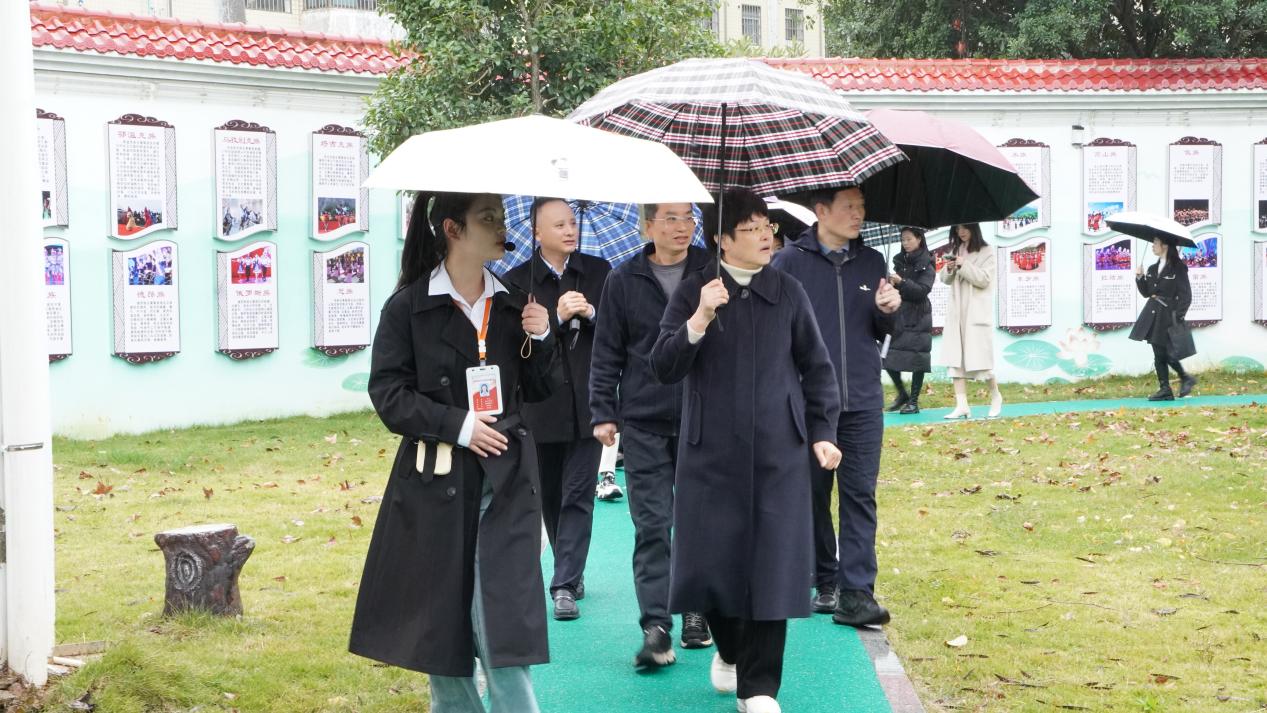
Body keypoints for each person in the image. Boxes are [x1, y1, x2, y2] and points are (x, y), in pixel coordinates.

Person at [349, 191, 557, 713]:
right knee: (441, 626)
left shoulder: (515, 303)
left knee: (504, 621)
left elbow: (540, 388)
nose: (501, 226)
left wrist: (543, 336)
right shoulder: (408, 306)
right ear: (452, 229)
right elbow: (388, 395)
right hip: (435, 480)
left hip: (507, 481)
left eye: (501, 217)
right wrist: (459, 425)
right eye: (488, 217)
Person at [650, 188, 842, 713]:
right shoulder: (695, 290)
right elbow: (662, 366)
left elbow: (818, 368)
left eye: (767, 227)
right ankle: (731, 650)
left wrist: (823, 432)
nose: (765, 237)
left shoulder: (788, 290)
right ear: (722, 240)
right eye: (751, 228)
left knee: (772, 568)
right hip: (709, 455)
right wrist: (698, 319)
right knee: (709, 567)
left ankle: (758, 688)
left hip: (779, 453)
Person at [589, 202, 715, 666]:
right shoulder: (623, 279)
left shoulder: (712, 272)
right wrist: (603, 411)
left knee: (700, 522)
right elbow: (607, 350)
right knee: (652, 524)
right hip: (644, 420)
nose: (683, 227)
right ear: (648, 226)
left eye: (688, 218)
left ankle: (697, 611)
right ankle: (656, 626)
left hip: (703, 417)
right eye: (671, 218)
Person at [771, 186, 901, 628]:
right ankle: (824, 579)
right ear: (821, 211)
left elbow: (880, 330)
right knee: (811, 495)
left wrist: (888, 310)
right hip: (808, 403)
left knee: (860, 495)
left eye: (862, 207)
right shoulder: (789, 263)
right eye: (849, 207)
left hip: (862, 399)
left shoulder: (873, 262)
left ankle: (857, 592)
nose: (858, 214)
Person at [504, 197, 610, 621]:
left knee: (578, 494)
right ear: (536, 232)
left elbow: (619, 332)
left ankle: (564, 582)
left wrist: (593, 312)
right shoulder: (517, 281)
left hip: (590, 403)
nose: (569, 230)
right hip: (541, 408)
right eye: (559, 225)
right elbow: (517, 347)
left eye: (572, 222)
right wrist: (555, 317)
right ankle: (569, 567)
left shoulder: (599, 272)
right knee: (550, 495)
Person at [939, 223, 1002, 420]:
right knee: (955, 361)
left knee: (981, 361)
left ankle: (996, 396)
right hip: (957, 313)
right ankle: (962, 405)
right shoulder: (955, 250)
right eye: (958, 229)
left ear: (974, 228)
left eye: (965, 227)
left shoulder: (987, 251)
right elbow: (944, 279)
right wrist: (949, 268)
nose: (961, 232)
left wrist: (963, 265)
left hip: (975, 313)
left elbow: (984, 279)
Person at [1130, 236, 1196, 400]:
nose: (1153, 246)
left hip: (1168, 315)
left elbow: (1186, 295)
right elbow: (1147, 293)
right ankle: (1167, 388)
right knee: (1159, 353)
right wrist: (1140, 277)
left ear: (1165, 245)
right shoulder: (1152, 268)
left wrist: (1178, 316)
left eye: (1155, 243)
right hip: (1153, 314)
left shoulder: (1178, 268)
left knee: (1167, 353)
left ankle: (1182, 379)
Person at [884, 227, 936, 415]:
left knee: (917, 358)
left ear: (919, 239)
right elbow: (899, 287)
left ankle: (913, 402)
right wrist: (891, 283)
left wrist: (902, 282)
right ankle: (902, 394)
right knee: (887, 356)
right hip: (900, 312)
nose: (905, 243)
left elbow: (922, 290)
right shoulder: (900, 261)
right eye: (902, 239)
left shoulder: (927, 263)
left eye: (908, 239)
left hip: (919, 315)